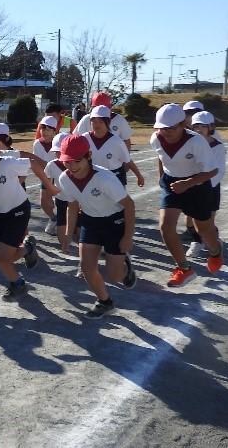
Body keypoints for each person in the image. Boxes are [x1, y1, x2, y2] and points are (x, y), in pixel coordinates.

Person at [0, 130, 59, 299]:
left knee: (3, 258)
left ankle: (18, 283)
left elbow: (32, 163)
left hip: (18, 210)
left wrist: (49, 187)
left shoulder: (6, 163)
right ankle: (28, 248)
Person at [56, 134, 138, 319]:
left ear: (89, 156)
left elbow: (129, 205)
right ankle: (105, 301)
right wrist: (68, 234)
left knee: (115, 276)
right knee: (86, 267)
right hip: (90, 222)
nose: (72, 166)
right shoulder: (64, 178)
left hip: (115, 222)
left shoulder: (105, 178)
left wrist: (127, 237)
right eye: (67, 162)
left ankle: (125, 267)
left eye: (77, 161)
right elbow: (73, 204)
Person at [150, 103, 223, 286]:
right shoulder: (155, 139)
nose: (166, 132)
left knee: (203, 229)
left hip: (197, 185)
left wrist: (188, 183)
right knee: (166, 227)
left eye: (171, 128)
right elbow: (161, 158)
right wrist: (162, 179)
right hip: (173, 183)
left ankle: (215, 252)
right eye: (162, 128)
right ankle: (184, 268)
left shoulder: (196, 141)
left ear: (183, 124)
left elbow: (212, 171)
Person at [185, 111, 225, 259]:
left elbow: (219, 170)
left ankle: (213, 242)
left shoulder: (218, 146)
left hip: (211, 188)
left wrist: (203, 182)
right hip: (193, 186)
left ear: (211, 127)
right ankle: (196, 241)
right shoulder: (190, 144)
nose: (199, 129)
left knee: (208, 219)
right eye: (196, 126)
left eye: (203, 126)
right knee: (192, 218)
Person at [82, 106, 145, 187]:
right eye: (93, 121)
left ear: (108, 122)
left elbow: (128, 160)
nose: (96, 125)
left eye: (100, 122)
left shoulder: (117, 141)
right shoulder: (84, 139)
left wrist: (139, 176)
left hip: (115, 178)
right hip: (93, 178)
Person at [43, 133, 72, 250]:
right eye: (56, 152)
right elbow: (47, 183)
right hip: (61, 199)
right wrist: (48, 197)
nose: (58, 154)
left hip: (78, 200)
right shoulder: (51, 165)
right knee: (62, 226)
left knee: (80, 228)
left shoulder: (78, 163)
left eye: (61, 151)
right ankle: (65, 242)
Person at [33, 115, 59, 233]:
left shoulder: (60, 142)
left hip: (60, 177)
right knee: (44, 202)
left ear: (55, 131)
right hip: (46, 176)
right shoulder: (37, 143)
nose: (45, 132)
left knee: (64, 201)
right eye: (43, 129)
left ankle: (69, 222)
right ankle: (54, 218)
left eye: (48, 129)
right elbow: (37, 161)